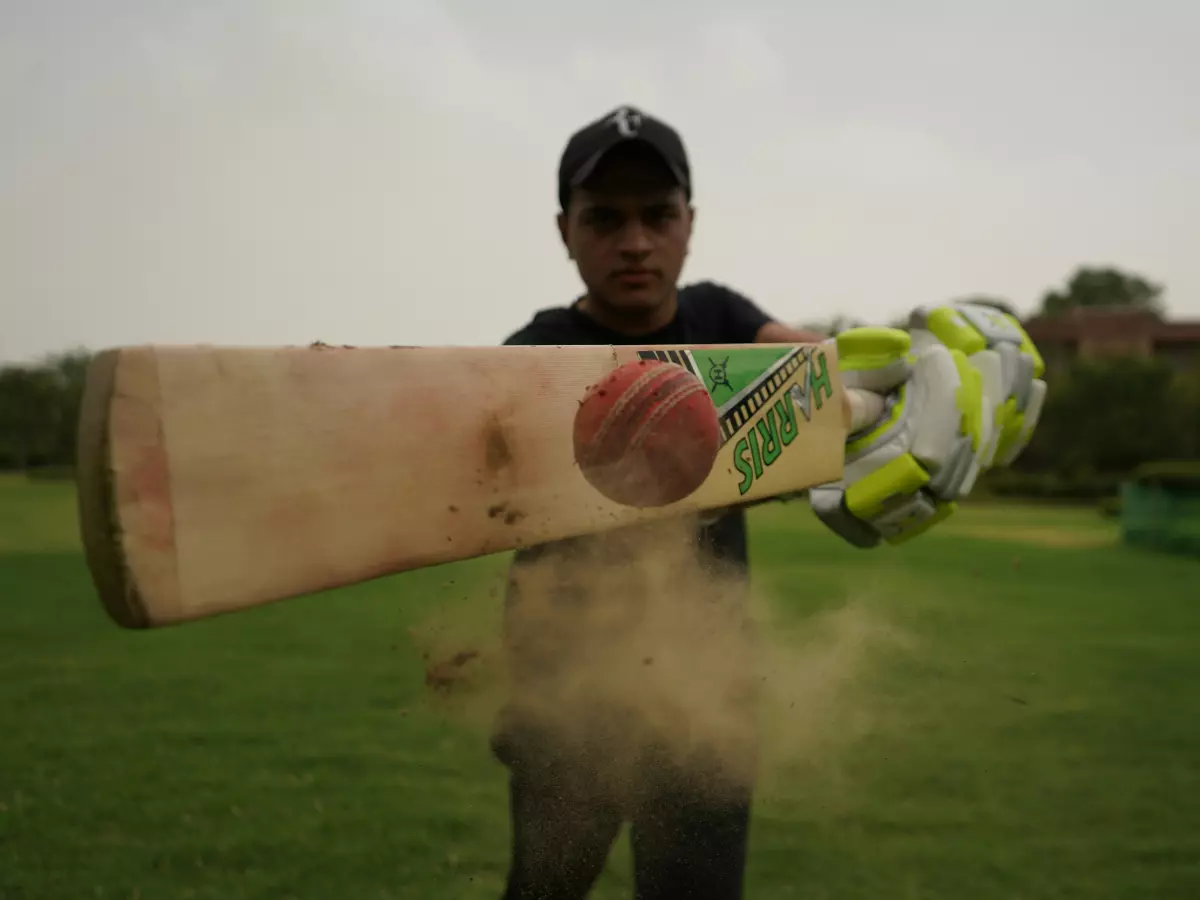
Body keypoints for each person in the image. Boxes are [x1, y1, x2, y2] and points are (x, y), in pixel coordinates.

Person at [491, 105, 1047, 900]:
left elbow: (823, 376)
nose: (636, 241)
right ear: (564, 230)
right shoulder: (534, 355)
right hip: (567, 705)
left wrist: (931, 388)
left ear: (690, 223)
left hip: (706, 699)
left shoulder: (720, 317)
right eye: (605, 218)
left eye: (659, 215)